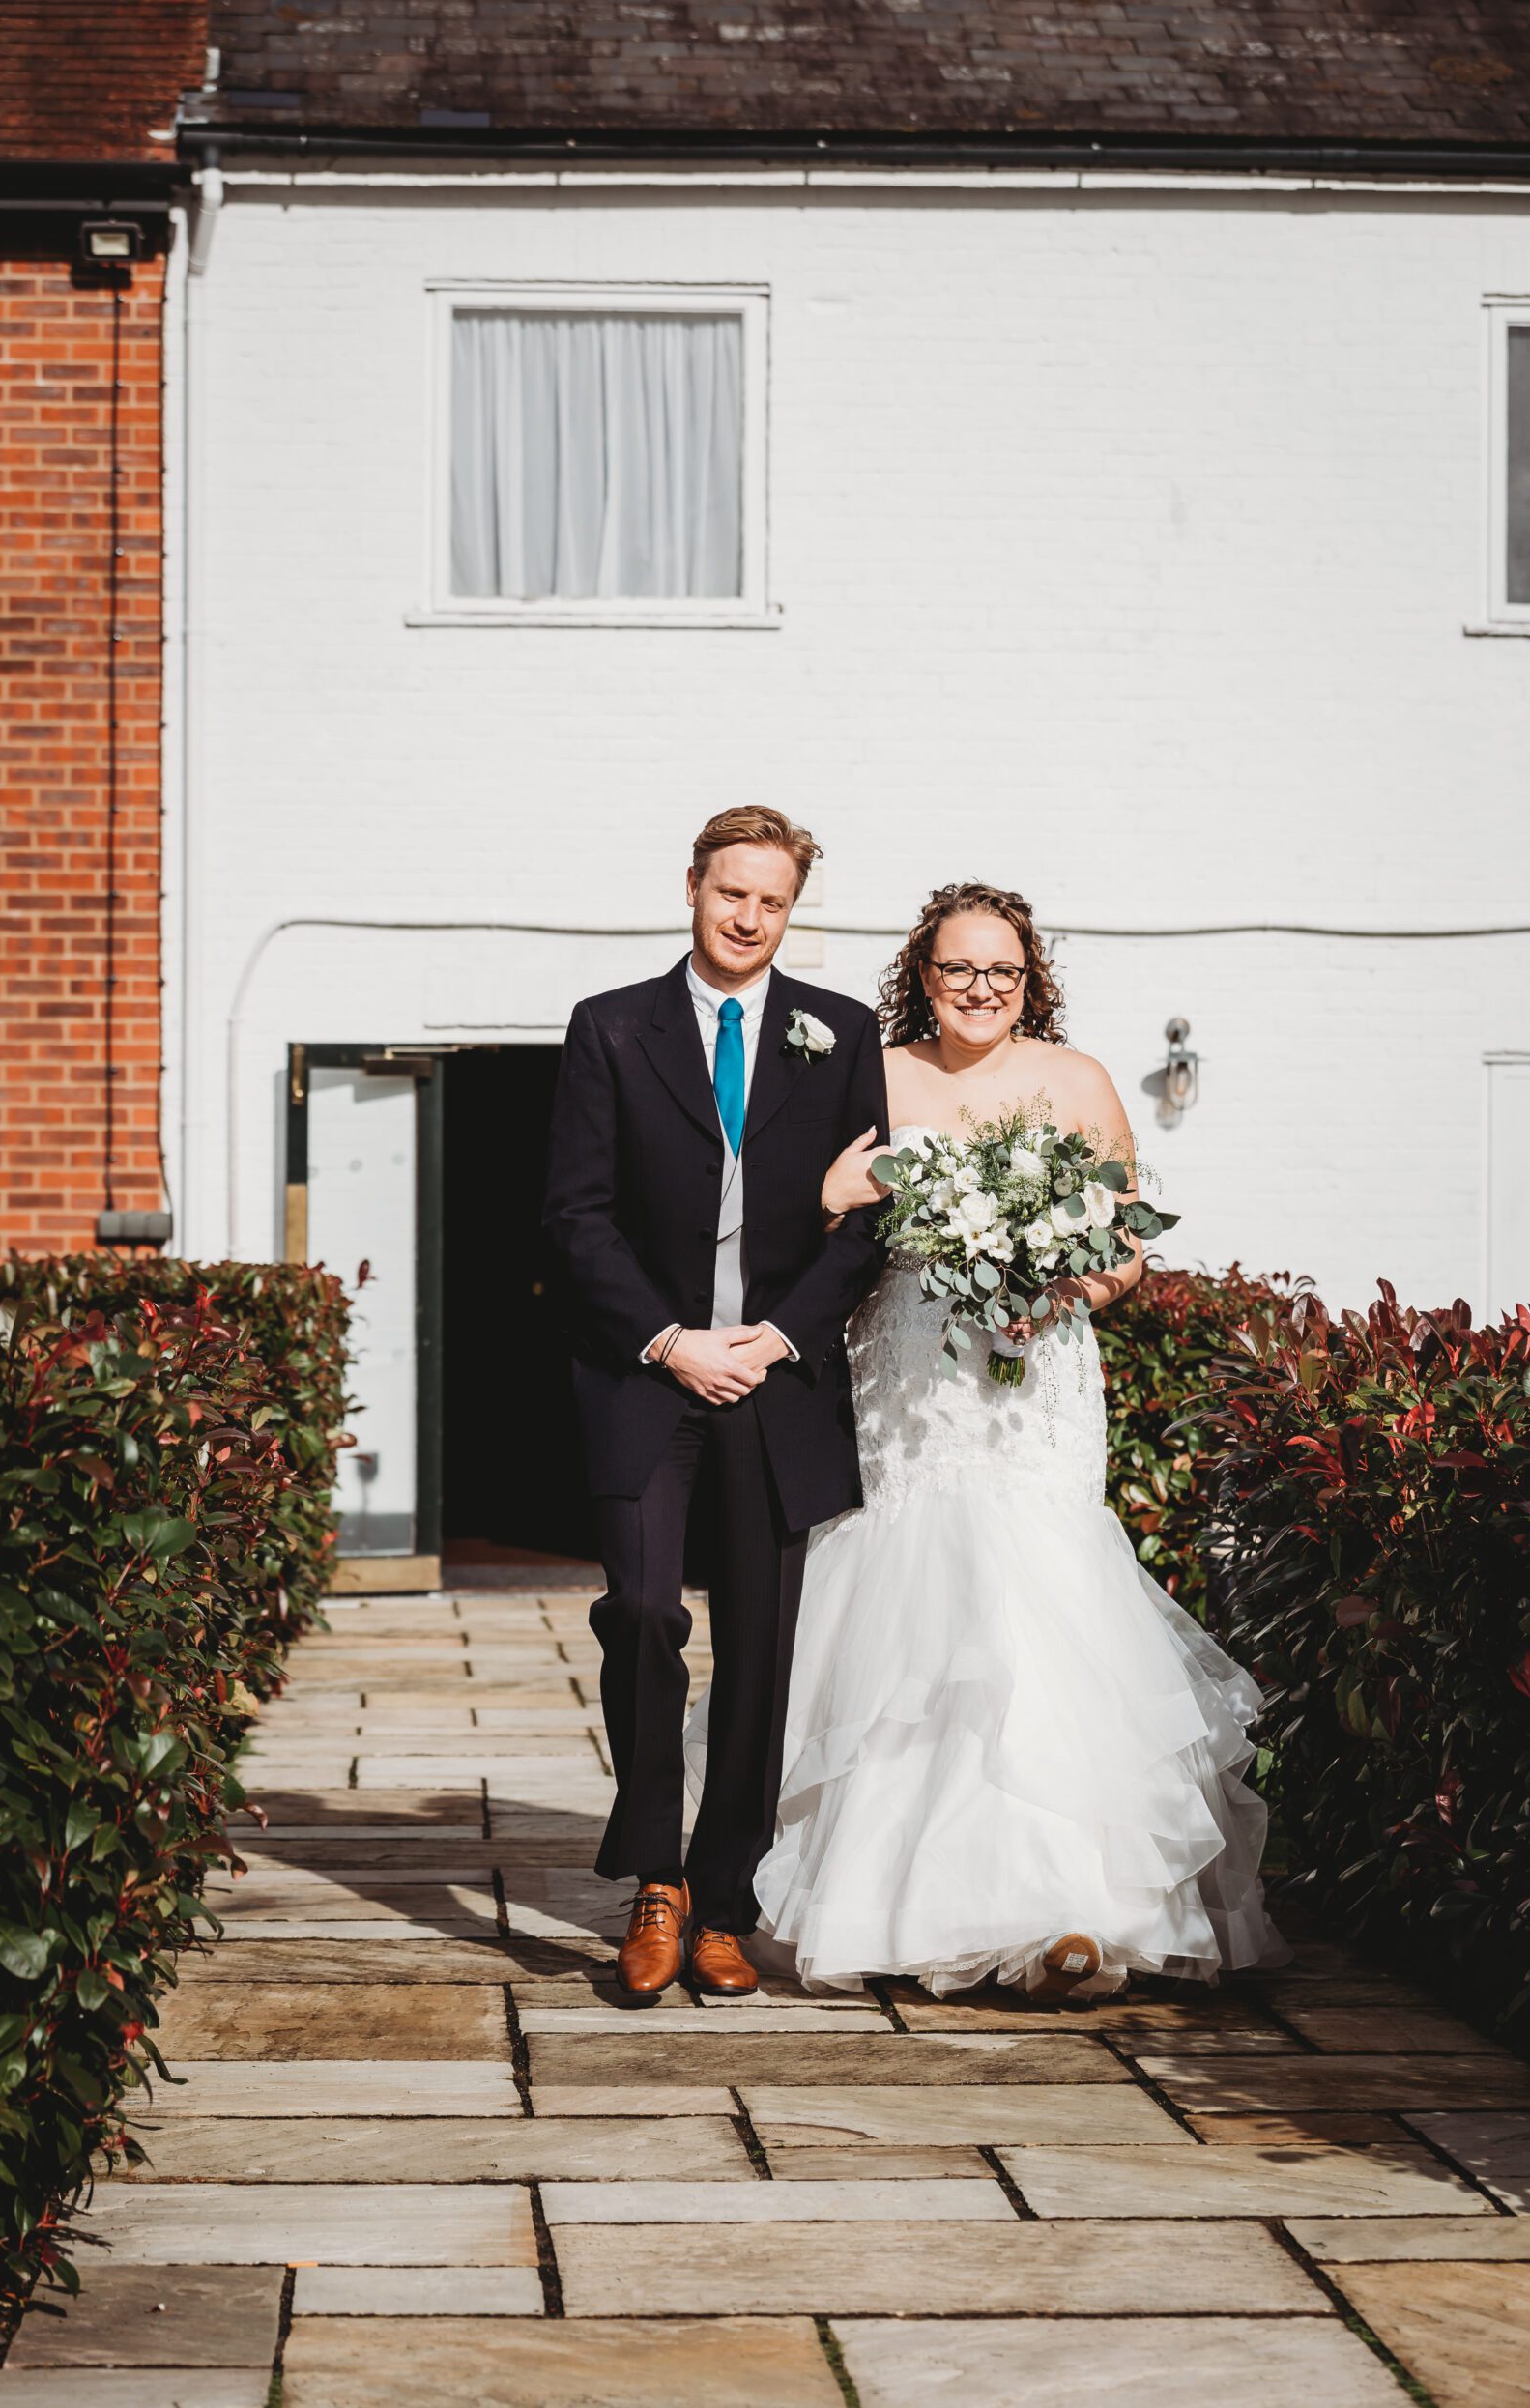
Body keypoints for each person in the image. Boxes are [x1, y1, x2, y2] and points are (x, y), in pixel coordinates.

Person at [727, 880, 1285, 2000]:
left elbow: (1126, 1243)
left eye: (1002, 970)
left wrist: (1067, 1280)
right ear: (919, 976)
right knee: (915, 1622)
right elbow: (811, 1215)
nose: (979, 988)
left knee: (1034, 1610)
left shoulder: (1074, 1080)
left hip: (1033, 1380)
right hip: (909, 1372)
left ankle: (1076, 1911)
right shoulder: (872, 1072)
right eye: (956, 968)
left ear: (1030, 980)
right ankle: (901, 1908)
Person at [542, 806, 888, 1998]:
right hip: (646, 1371)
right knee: (640, 1612)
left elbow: (866, 1219)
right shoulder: (612, 1029)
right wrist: (670, 1340)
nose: (748, 918)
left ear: (793, 911)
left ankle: (726, 1898)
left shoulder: (838, 1031)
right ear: (691, 885)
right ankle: (653, 1882)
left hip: (777, 1381)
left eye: (772, 901)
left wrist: (777, 1337)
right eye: (730, 892)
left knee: (760, 1641)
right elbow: (574, 1216)